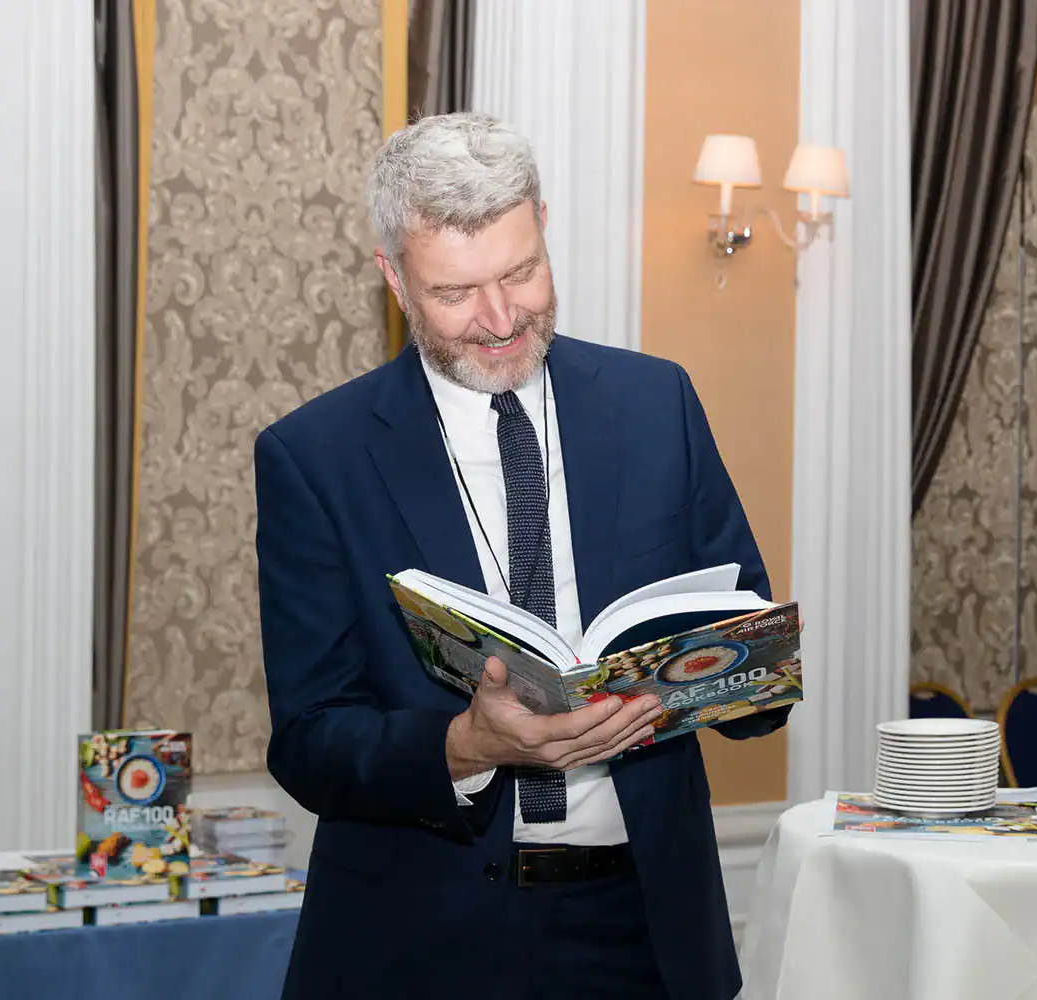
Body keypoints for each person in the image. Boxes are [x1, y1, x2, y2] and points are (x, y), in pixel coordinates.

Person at [255, 112, 789, 1000]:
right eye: (457, 293)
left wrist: (716, 676)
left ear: (542, 223)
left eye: (521, 272)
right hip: (419, 946)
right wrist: (465, 744)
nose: (501, 319)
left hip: (648, 931)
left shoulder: (657, 403)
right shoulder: (316, 456)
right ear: (395, 279)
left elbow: (750, 660)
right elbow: (311, 740)